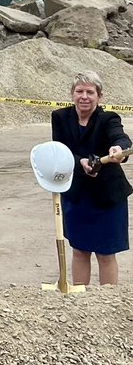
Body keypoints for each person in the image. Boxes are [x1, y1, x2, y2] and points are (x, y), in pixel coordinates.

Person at [50, 70, 131, 286]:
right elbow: (61, 150)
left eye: (90, 92)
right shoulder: (59, 117)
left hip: (107, 197)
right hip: (76, 195)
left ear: (99, 96)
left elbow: (120, 137)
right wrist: (81, 162)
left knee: (106, 254)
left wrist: (118, 148)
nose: (84, 96)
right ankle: (81, 302)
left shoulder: (108, 118)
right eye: (79, 91)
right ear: (72, 94)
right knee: (79, 250)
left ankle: (106, 302)